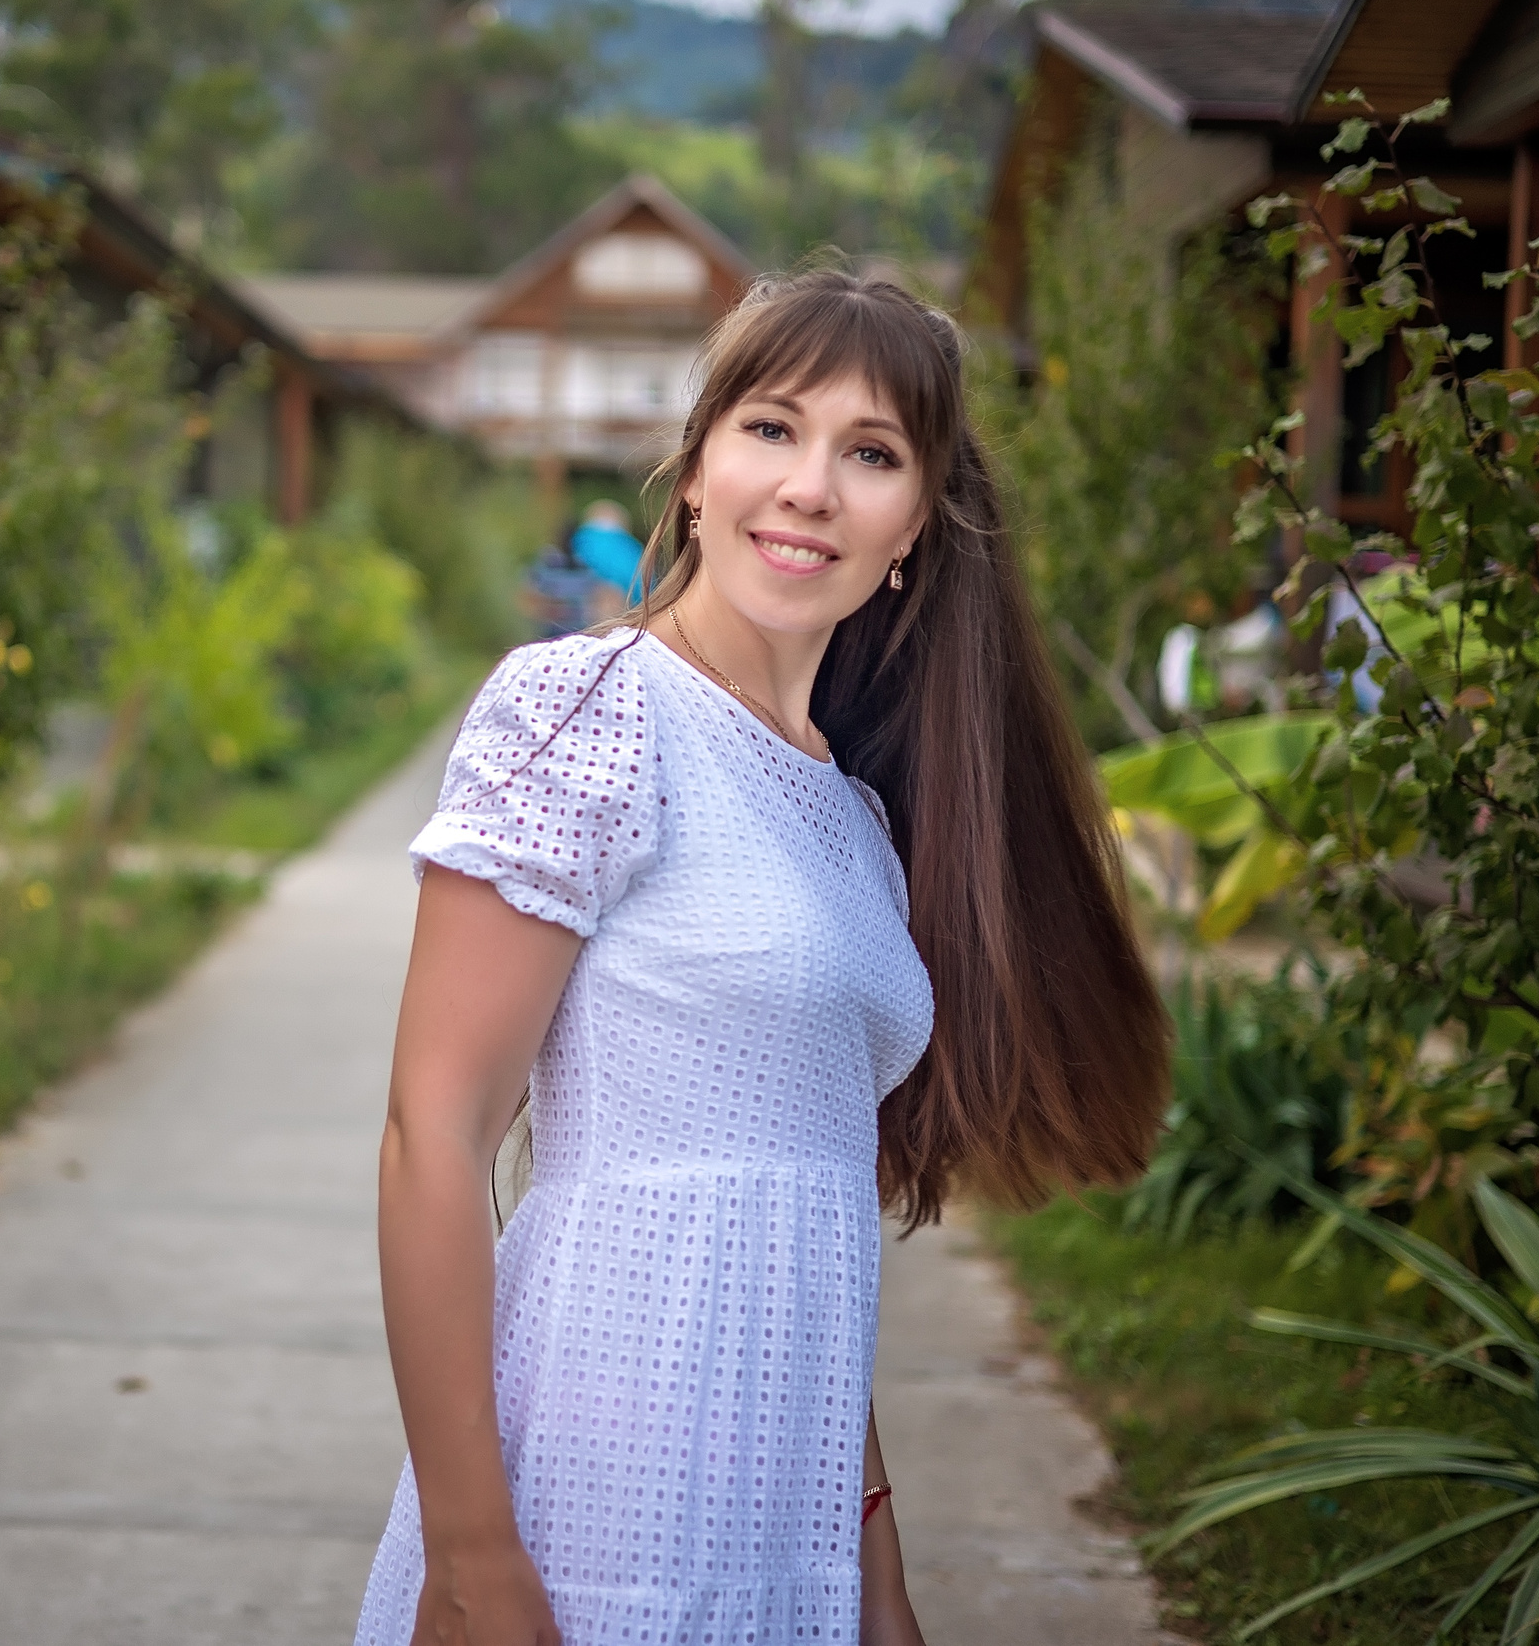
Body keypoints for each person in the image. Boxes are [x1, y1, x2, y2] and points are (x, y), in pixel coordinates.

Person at [357, 269, 1169, 1646]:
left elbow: (803, 1220)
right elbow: (432, 1134)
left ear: (914, 527)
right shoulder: (589, 710)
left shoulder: (857, 819)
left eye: (871, 453)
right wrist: (477, 1559)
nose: (810, 486)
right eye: (772, 428)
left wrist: (877, 1563)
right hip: (587, 1497)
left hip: (778, 1531)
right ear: (696, 473)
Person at [569, 499, 646, 619]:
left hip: (577, 618)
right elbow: (645, 588)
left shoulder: (578, 541)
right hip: (627, 614)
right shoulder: (633, 549)